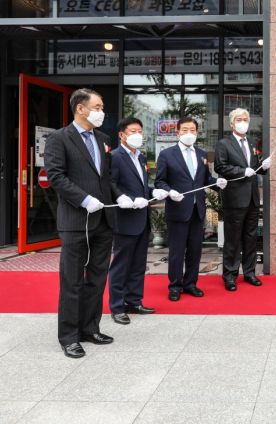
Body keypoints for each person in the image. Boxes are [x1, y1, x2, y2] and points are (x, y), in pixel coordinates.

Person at [45, 88, 134, 358]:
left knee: (97, 278)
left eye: (102, 106)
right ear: (80, 109)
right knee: (72, 280)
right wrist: (83, 199)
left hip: (103, 221)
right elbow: (56, 177)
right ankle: (69, 336)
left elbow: (106, 179)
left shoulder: (103, 139)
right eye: (97, 106)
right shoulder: (59, 138)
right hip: (76, 220)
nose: (101, 111)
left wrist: (122, 197)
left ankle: (90, 327)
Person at [155, 117, 227, 301]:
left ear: (197, 132)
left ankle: (190, 284)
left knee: (195, 250)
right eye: (185, 130)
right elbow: (160, 181)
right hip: (178, 209)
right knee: (177, 251)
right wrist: (169, 191)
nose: (189, 133)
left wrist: (218, 183)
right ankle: (175, 286)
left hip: (198, 210)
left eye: (193, 130)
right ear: (177, 132)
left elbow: (205, 181)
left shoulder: (202, 154)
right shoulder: (167, 154)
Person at [214, 108, 270, 291]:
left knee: (250, 238)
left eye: (245, 119)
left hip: (253, 198)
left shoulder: (251, 142)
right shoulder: (224, 143)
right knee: (233, 239)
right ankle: (229, 275)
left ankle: (249, 272)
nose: (243, 122)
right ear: (232, 123)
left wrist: (263, 166)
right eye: (239, 119)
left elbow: (254, 168)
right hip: (234, 198)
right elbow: (220, 167)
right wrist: (240, 171)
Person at [107, 117, 156, 325]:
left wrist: (156, 192)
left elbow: (142, 188)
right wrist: (120, 197)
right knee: (121, 264)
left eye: (140, 131)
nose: (138, 135)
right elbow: (110, 182)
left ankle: (134, 301)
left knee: (138, 264)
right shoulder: (115, 156)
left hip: (142, 218)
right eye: (133, 131)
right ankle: (117, 306)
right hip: (125, 219)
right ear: (122, 135)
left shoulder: (141, 158)